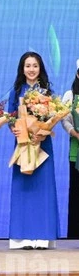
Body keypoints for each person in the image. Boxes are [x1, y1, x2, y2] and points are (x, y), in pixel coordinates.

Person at [8, 52, 59, 249]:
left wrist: (43, 132)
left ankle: (42, 238)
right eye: (27, 65)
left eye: (35, 65)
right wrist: (15, 127)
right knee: (24, 189)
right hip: (22, 145)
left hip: (42, 146)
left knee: (42, 190)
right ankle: (22, 239)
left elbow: (53, 117)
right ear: (22, 69)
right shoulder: (16, 91)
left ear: (40, 68)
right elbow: (11, 116)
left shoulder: (47, 92)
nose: (31, 69)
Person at [61, 64, 79, 239]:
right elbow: (65, 120)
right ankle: (75, 236)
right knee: (76, 194)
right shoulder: (70, 95)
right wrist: (75, 133)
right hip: (76, 151)